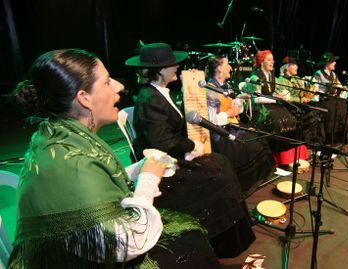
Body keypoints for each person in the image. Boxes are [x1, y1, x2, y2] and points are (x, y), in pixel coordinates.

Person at [9, 49, 220, 268]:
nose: (119, 86)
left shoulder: (59, 135)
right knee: (189, 246)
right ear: (84, 98)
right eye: (107, 82)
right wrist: (147, 180)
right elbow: (128, 241)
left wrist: (139, 169)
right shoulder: (71, 160)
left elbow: (93, 187)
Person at [125, 43, 255, 257]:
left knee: (220, 164)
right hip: (161, 163)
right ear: (160, 70)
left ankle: (229, 238)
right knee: (218, 172)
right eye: (171, 64)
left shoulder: (159, 93)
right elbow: (162, 141)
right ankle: (219, 241)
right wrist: (192, 145)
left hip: (172, 154)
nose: (177, 66)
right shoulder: (149, 98)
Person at [205, 55, 275, 196]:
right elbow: (211, 120)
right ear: (219, 68)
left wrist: (239, 99)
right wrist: (229, 113)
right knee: (249, 143)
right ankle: (244, 184)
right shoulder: (210, 90)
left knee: (257, 136)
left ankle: (259, 177)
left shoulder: (224, 87)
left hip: (229, 125)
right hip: (219, 132)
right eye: (227, 65)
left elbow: (233, 109)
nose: (231, 68)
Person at [246, 50, 308, 166]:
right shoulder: (255, 77)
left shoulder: (272, 76)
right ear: (261, 62)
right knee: (277, 123)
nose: (272, 62)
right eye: (269, 60)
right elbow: (255, 98)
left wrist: (280, 96)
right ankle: (276, 159)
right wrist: (276, 98)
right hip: (260, 108)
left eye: (273, 60)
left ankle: (289, 158)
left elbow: (273, 94)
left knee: (292, 119)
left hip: (272, 105)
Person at [306, 52, 348, 145]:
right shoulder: (318, 74)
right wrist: (326, 93)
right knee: (333, 109)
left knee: (343, 106)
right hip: (322, 99)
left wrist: (343, 89)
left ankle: (344, 137)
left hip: (332, 98)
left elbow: (338, 86)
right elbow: (314, 89)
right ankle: (332, 138)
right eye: (333, 61)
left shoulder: (333, 74)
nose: (335, 63)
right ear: (327, 63)